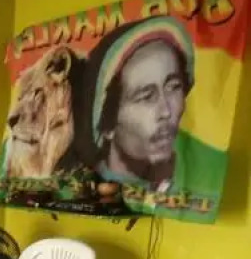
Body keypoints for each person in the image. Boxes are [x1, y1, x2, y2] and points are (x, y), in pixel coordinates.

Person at [83, 16, 195, 192]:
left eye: (173, 87)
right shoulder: (84, 189)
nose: (166, 112)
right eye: (147, 97)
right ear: (108, 126)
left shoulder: (199, 179)